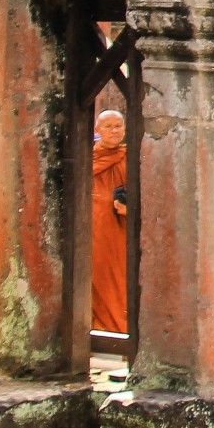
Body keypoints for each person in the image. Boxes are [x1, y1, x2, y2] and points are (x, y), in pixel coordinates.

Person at [91, 110, 129, 334]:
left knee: (120, 277)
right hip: (96, 227)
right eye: (108, 126)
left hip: (121, 227)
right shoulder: (90, 157)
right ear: (97, 130)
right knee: (98, 277)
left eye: (118, 126)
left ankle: (119, 327)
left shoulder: (130, 156)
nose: (114, 131)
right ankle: (97, 326)